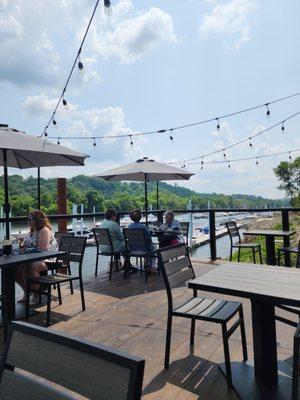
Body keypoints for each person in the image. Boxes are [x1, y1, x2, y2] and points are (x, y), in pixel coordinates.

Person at [16, 210, 58, 304]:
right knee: (14, 269)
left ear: (38, 220)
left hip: (49, 259)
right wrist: (21, 246)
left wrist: (26, 250)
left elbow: (43, 250)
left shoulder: (44, 231)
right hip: (33, 258)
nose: (29, 220)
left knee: (30, 266)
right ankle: (27, 291)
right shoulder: (32, 231)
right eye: (28, 218)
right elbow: (27, 246)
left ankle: (36, 294)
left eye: (31, 218)